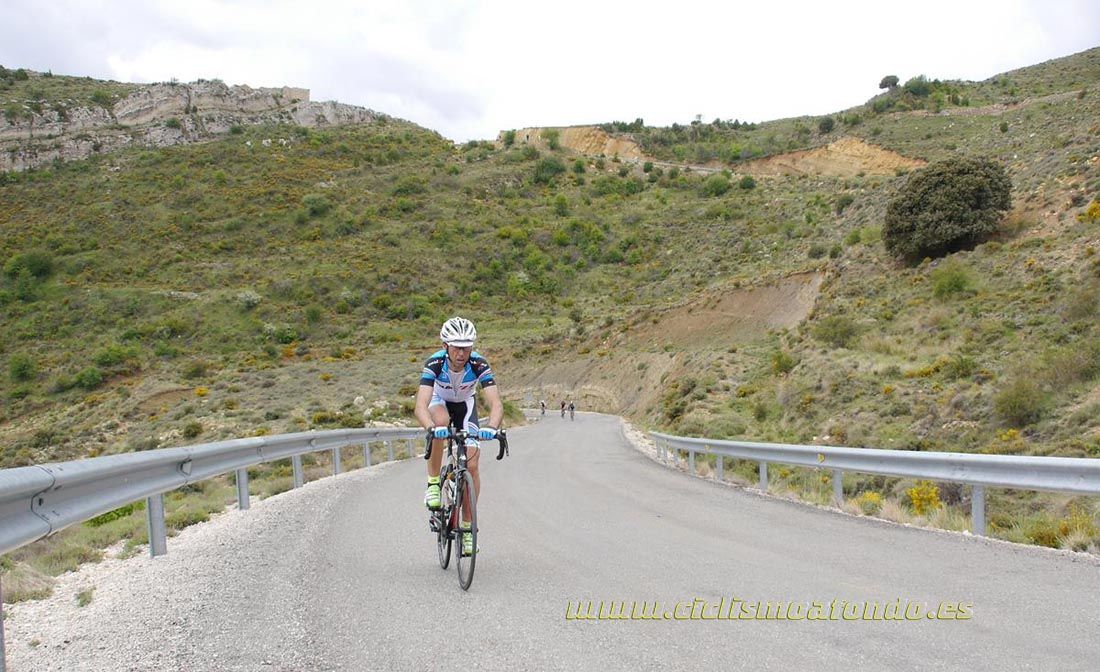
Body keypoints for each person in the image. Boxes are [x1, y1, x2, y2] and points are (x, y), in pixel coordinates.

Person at [414, 317, 503, 557]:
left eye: (467, 346)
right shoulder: (434, 363)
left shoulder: (479, 364)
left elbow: (495, 403)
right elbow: (421, 405)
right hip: (439, 403)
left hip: (466, 406)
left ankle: (467, 529)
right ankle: (433, 483)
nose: (462, 352)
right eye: (456, 346)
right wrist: (430, 428)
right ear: (445, 346)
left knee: (472, 465)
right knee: (440, 422)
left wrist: (492, 427)